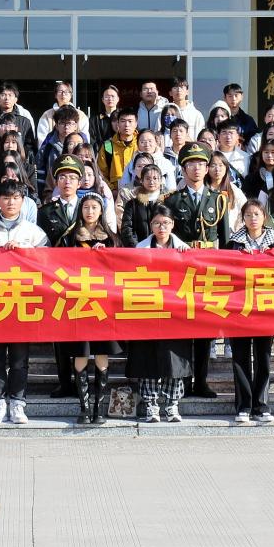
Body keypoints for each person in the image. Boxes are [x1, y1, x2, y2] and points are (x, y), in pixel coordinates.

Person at [0, 180, 49, 424]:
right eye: (5, 198)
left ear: (23, 201)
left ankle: (17, 402)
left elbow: (47, 264)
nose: (10, 202)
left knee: (19, 358)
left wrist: (24, 251)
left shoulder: (35, 233)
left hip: (22, 302)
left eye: (15, 198)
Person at [162, 142, 230, 399]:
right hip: (182, 268)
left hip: (208, 268)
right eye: (191, 164)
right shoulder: (172, 200)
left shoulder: (218, 199)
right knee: (183, 326)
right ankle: (183, 381)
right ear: (183, 169)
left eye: (202, 163)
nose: (197, 168)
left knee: (205, 325)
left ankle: (201, 381)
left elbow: (224, 240)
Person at [57, 193, 122, 424]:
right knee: (81, 353)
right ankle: (84, 408)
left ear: (101, 211)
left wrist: (107, 255)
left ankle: (99, 408)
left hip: (103, 303)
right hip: (79, 303)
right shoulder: (69, 237)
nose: (90, 211)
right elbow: (58, 265)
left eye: (95, 207)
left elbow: (121, 267)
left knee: (102, 354)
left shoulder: (112, 238)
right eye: (86, 207)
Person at [128, 204, 191, 422]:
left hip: (175, 313)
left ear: (173, 224)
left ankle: (172, 405)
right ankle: (151, 405)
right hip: (148, 311)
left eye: (165, 223)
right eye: (156, 223)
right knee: (148, 359)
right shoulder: (140, 249)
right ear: (150, 225)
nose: (161, 227)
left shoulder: (184, 250)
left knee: (174, 360)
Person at [226, 198, 274, 423]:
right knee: (240, 358)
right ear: (243, 218)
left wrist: (270, 256)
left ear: (264, 217)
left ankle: (261, 405)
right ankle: (243, 406)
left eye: (256, 214)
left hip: (266, 307)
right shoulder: (233, 243)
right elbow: (225, 271)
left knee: (263, 358)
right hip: (239, 307)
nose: (252, 219)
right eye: (248, 215)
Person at [38, 155, 87, 399]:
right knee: (59, 332)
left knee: (83, 331)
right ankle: (64, 381)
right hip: (57, 277)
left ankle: (82, 381)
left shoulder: (89, 207)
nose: (67, 182)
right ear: (56, 182)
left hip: (84, 278)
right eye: (63, 177)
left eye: (72, 177)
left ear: (80, 182)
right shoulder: (46, 212)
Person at [0, 82, 37, 166]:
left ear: (16, 99)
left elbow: (30, 147)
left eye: (10, 95)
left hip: (19, 166)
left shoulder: (24, 121)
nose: (7, 98)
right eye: (3, 95)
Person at [37, 105, 84, 199]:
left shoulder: (83, 146)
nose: (66, 127)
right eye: (62, 123)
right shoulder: (46, 149)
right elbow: (40, 177)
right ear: (56, 125)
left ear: (75, 126)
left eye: (70, 123)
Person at [121, 163, 165, 248]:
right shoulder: (132, 204)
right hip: (138, 250)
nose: (151, 182)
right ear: (141, 180)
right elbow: (127, 230)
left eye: (155, 178)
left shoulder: (168, 202)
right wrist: (138, 247)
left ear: (161, 180)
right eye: (147, 178)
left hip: (164, 250)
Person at [36, 80, 90, 144]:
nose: (63, 94)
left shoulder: (81, 115)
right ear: (55, 95)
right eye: (60, 91)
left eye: (66, 92)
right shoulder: (47, 115)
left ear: (71, 95)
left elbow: (84, 137)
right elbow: (42, 138)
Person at [98, 107, 139, 192]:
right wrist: (111, 190)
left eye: (130, 121)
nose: (126, 125)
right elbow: (101, 172)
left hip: (138, 190)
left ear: (136, 124)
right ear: (118, 124)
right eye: (123, 121)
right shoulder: (108, 145)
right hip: (114, 192)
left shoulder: (141, 143)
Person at [207, 151, 247, 233]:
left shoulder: (233, 189)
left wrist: (237, 229)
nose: (217, 169)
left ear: (226, 168)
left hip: (231, 233)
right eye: (213, 165)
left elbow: (245, 208)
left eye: (221, 165)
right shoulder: (203, 188)